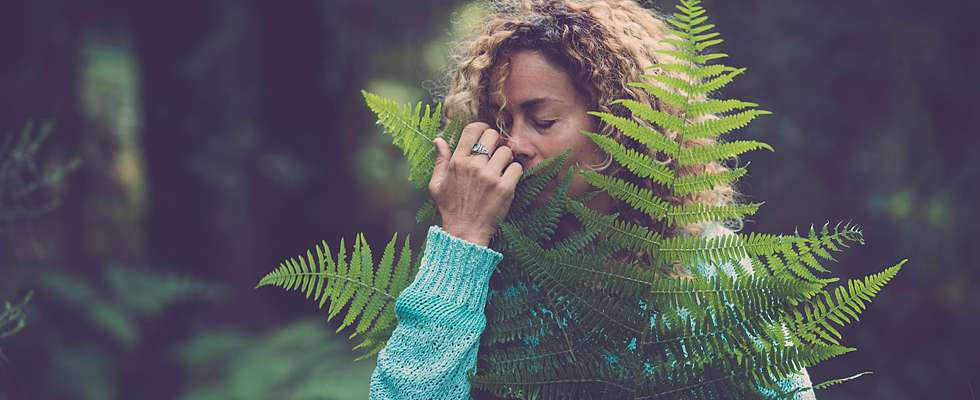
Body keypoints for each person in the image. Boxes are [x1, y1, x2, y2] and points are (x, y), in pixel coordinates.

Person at [369, 1, 815, 398]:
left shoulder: (701, 263)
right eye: (501, 120)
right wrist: (463, 238)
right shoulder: (486, 266)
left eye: (541, 120)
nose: (514, 143)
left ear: (618, 125)